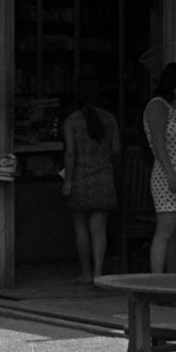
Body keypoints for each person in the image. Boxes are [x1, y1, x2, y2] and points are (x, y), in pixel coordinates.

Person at [60, 94, 120, 283]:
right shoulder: (110, 118)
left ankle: (85, 272)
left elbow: (70, 153)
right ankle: (99, 273)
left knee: (81, 228)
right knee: (99, 229)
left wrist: (68, 181)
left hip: (80, 177)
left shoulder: (72, 120)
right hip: (103, 177)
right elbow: (116, 149)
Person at [143, 62, 176, 274]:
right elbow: (158, 142)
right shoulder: (157, 106)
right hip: (169, 173)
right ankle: (157, 280)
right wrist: (170, 173)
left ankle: (172, 279)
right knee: (165, 230)